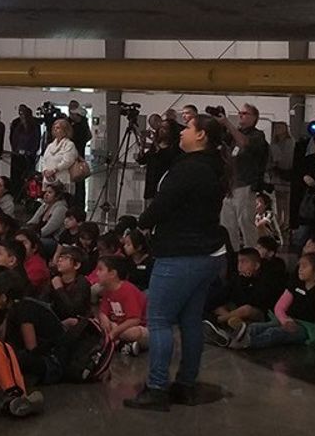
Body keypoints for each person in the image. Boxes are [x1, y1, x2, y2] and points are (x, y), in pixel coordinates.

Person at [123, 113, 232, 412]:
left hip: (181, 253)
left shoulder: (190, 169)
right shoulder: (213, 166)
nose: (182, 131)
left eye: (188, 127)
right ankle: (185, 383)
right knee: (190, 320)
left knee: (158, 322)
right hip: (208, 253)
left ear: (201, 136)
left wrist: (141, 223)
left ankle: (157, 388)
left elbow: (163, 204)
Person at [227, 253, 315, 349]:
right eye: (300, 265)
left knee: (274, 333)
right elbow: (280, 307)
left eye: (305, 266)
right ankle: (232, 336)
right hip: (288, 319)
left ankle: (248, 342)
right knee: (259, 327)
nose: (300, 269)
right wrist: (285, 320)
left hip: (306, 327)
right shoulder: (295, 284)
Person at [0, 268, 66, 387]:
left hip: (52, 361)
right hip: (42, 358)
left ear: (3, 297)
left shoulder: (24, 309)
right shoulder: (12, 308)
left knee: (15, 358)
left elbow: (32, 348)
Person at [204, 247, 284, 346]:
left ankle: (217, 321)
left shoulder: (266, 278)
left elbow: (255, 301)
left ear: (256, 265)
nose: (240, 266)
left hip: (259, 312)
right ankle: (236, 323)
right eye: (239, 262)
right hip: (236, 309)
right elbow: (225, 294)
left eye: (244, 262)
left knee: (246, 309)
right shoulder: (237, 277)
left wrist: (245, 282)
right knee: (219, 306)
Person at [220, 103, 269, 249]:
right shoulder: (234, 134)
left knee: (246, 223)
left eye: (245, 113)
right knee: (227, 224)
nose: (241, 115)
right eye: (239, 113)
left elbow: (244, 143)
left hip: (246, 184)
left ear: (254, 118)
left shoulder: (257, 135)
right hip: (230, 185)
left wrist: (228, 124)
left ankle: (251, 253)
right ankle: (232, 255)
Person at [95, 255, 148, 355]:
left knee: (133, 333)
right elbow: (103, 311)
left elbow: (135, 319)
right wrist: (104, 318)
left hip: (139, 328)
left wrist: (114, 332)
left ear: (112, 273)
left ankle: (117, 343)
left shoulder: (127, 290)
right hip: (118, 325)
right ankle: (123, 345)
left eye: (100, 270)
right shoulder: (107, 291)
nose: (97, 273)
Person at [37, 118, 80, 196]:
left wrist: (54, 171)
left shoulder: (69, 145)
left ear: (65, 130)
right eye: (54, 128)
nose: (55, 130)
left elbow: (68, 161)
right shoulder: (50, 145)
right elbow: (44, 160)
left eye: (58, 128)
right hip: (48, 180)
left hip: (62, 179)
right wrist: (45, 171)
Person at [8, 105, 42, 194]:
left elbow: (36, 140)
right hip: (17, 154)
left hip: (29, 156)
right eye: (20, 113)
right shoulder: (16, 123)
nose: (21, 115)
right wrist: (15, 150)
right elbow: (12, 138)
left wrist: (31, 151)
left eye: (23, 113)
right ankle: (15, 194)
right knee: (16, 177)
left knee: (27, 177)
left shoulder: (35, 125)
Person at [267, 121, 293, 233]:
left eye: (280, 127)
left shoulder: (290, 142)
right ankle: (279, 220)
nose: (278, 130)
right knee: (278, 198)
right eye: (276, 127)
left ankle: (286, 220)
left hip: (287, 172)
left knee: (287, 199)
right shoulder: (274, 144)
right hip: (277, 173)